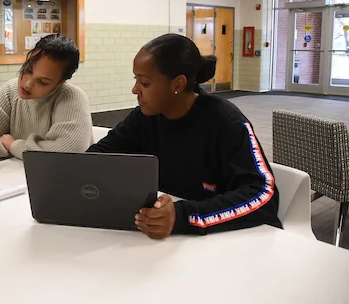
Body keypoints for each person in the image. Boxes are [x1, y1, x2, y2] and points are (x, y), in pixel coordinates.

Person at [88, 34, 282, 239]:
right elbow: (98, 156)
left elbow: (263, 195)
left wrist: (183, 216)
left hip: (231, 242)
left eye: (144, 83)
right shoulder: (145, 117)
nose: (135, 90)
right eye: (136, 80)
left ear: (177, 84)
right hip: (175, 243)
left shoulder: (226, 123)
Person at [0, 34, 92, 178]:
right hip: (13, 178)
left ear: (60, 82)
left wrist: (13, 145)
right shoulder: (11, 89)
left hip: (58, 181)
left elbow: (66, 155)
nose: (27, 84)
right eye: (28, 70)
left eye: (43, 82)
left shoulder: (71, 97)